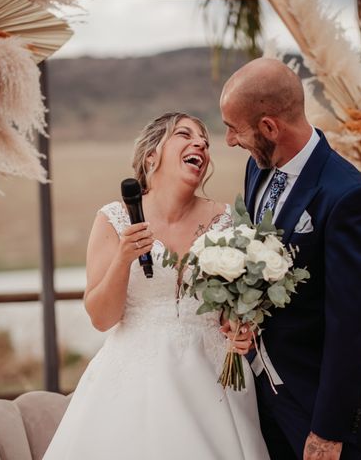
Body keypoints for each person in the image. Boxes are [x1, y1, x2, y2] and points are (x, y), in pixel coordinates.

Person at [43, 112, 270, 460]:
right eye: (184, 135)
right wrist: (123, 257)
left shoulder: (227, 221)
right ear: (152, 155)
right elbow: (102, 318)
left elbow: (237, 307)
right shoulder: (114, 219)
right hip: (134, 382)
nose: (200, 145)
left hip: (213, 383)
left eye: (205, 142)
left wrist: (241, 327)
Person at [220, 58, 361, 460]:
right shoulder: (257, 169)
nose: (228, 140)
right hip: (258, 398)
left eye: (234, 128)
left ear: (270, 127)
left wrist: (328, 430)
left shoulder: (346, 196)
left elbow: (353, 324)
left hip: (312, 406)